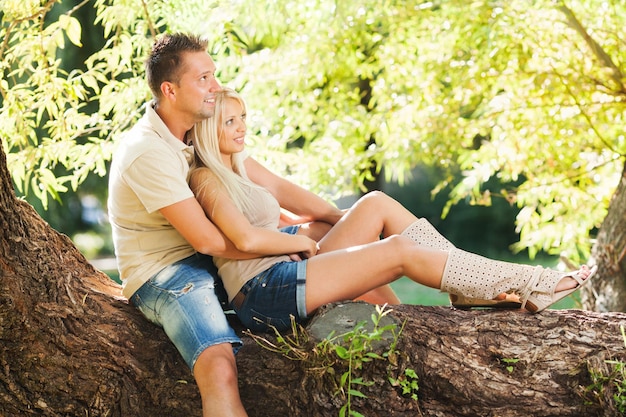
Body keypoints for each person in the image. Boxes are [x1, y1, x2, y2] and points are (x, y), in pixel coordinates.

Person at [107, 32, 397, 416]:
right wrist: (280, 243)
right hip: (168, 274)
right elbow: (210, 241)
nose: (215, 86)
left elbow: (266, 182)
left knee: (331, 235)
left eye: (213, 74)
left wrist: (333, 217)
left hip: (213, 256)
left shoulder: (194, 136)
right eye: (203, 79)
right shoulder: (147, 151)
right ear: (170, 90)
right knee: (220, 366)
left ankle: (402, 324)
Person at [187, 87, 597, 333]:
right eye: (229, 122)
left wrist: (343, 224)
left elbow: (303, 200)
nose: (242, 127)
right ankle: (533, 282)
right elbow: (242, 239)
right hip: (264, 292)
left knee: (375, 203)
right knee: (398, 250)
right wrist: (308, 246)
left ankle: (463, 286)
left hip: (286, 268)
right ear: (207, 128)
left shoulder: (242, 164)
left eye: (243, 118)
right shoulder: (207, 178)